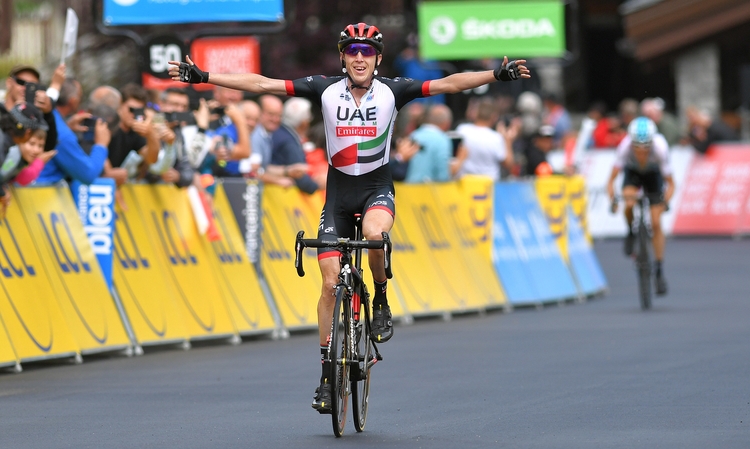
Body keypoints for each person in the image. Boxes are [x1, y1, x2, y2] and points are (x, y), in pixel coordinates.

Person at [168, 21, 530, 414]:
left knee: (375, 235)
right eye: (352, 51)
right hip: (337, 197)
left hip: (377, 189)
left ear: (377, 58)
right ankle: (326, 377)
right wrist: (204, 77)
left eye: (367, 52)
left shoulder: (394, 90)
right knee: (327, 285)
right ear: (343, 56)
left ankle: (381, 300)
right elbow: (261, 84)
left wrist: (495, 74)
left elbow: (450, 84)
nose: (359, 58)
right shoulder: (324, 88)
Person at [606, 117, 674, 295]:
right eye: (637, 147)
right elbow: (611, 180)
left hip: (653, 175)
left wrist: (665, 200)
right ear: (631, 142)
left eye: (646, 148)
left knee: (656, 222)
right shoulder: (624, 148)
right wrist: (613, 199)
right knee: (629, 202)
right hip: (633, 173)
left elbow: (671, 183)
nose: (642, 152)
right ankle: (631, 231)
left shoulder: (660, 148)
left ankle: (659, 270)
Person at [35, 78, 111, 185]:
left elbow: (54, 136)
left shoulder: (48, 117)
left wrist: (66, 127)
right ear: (73, 101)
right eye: (80, 96)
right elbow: (88, 175)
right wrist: (101, 145)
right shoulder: (64, 135)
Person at [104, 83, 161, 186]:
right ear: (120, 106)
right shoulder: (108, 125)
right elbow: (97, 147)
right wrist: (109, 174)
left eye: (138, 111)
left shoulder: (135, 132)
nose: (134, 114)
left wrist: (151, 134)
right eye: (131, 109)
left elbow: (151, 159)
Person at [453, 96, 516, 181]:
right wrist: (508, 142)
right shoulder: (496, 138)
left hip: (465, 184)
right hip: (488, 187)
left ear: (475, 113)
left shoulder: (461, 130)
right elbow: (508, 164)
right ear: (494, 117)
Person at [270, 97, 318, 193]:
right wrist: (318, 185)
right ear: (304, 123)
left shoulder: (277, 132)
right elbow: (300, 176)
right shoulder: (289, 142)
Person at [405, 104, 453, 183]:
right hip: (431, 191)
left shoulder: (413, 135)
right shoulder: (442, 140)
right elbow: (442, 172)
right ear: (447, 123)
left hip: (408, 188)